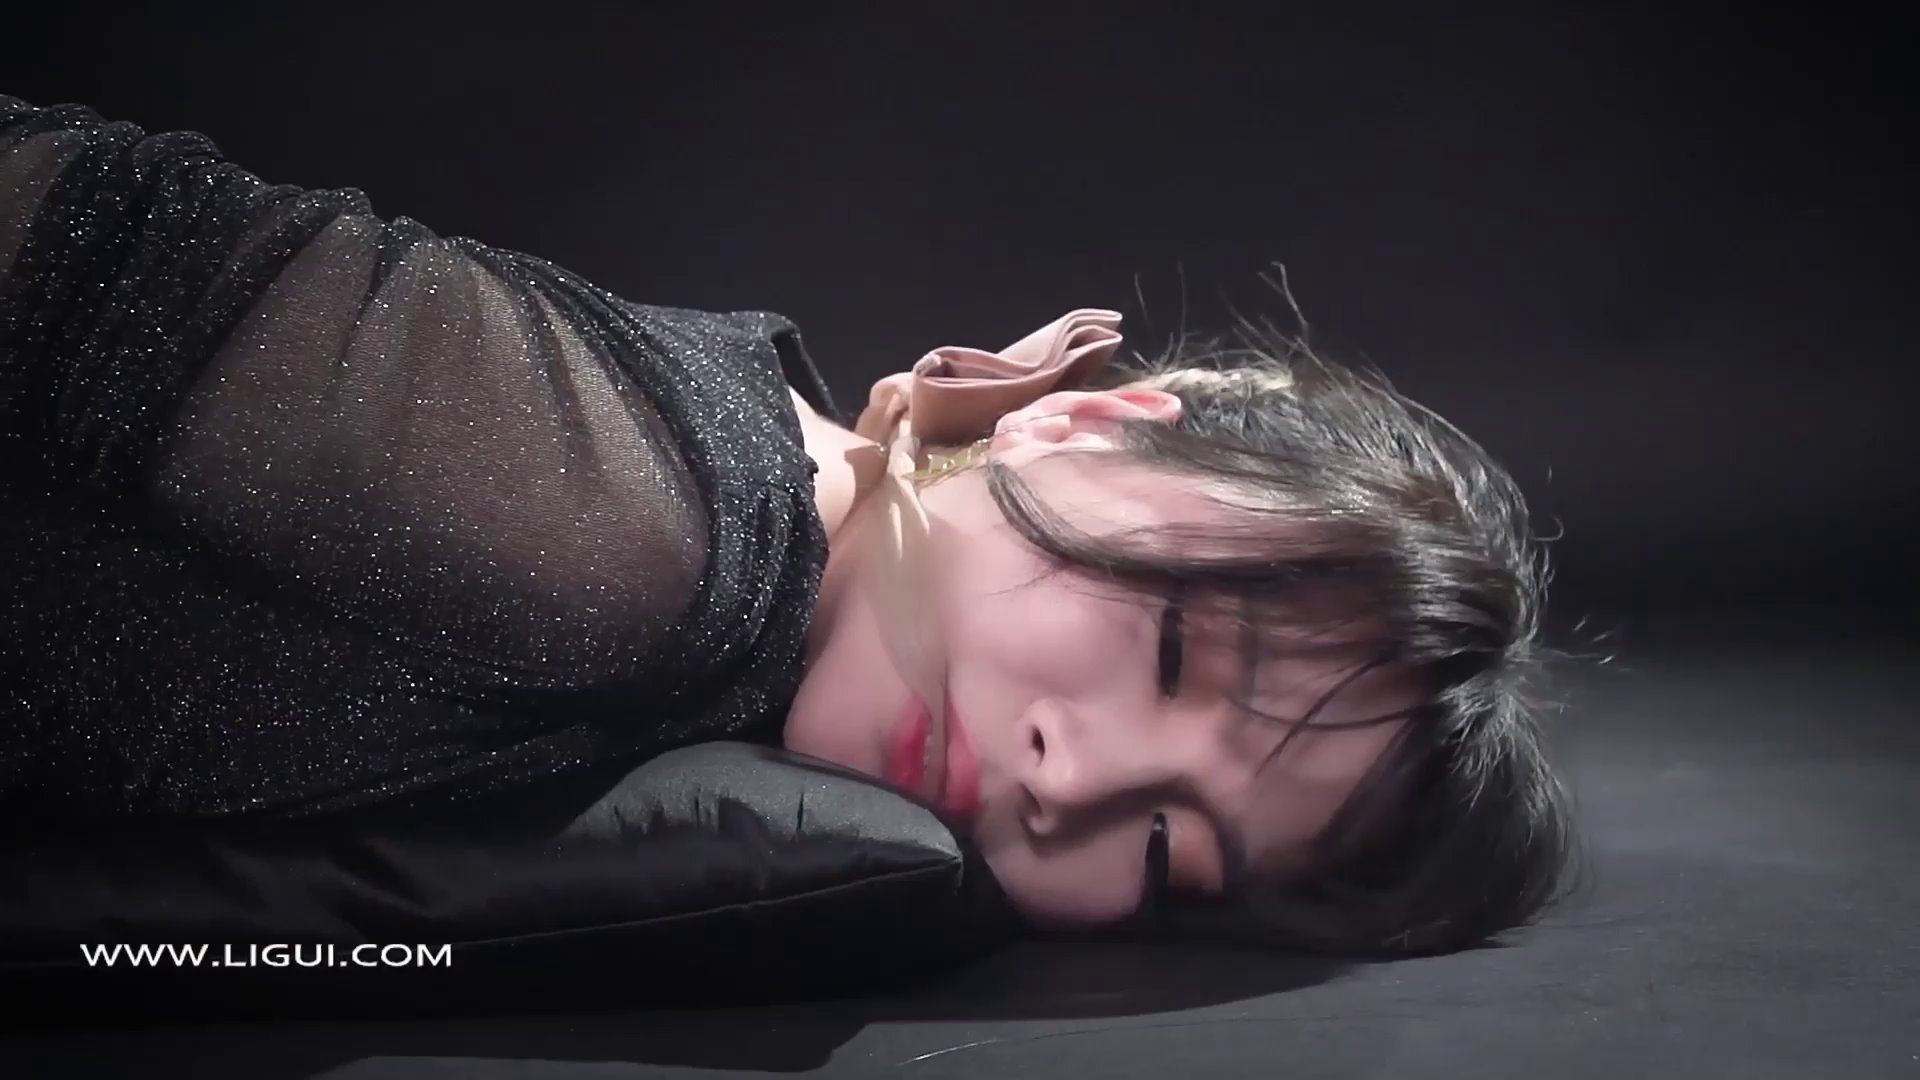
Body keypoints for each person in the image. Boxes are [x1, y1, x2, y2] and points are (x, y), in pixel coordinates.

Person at [0, 95, 1572, 957]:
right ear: (1081, 422)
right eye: (1170, 653)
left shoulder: (744, 599)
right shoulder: (643, 542)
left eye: (1171, 852)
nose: (1068, 780)